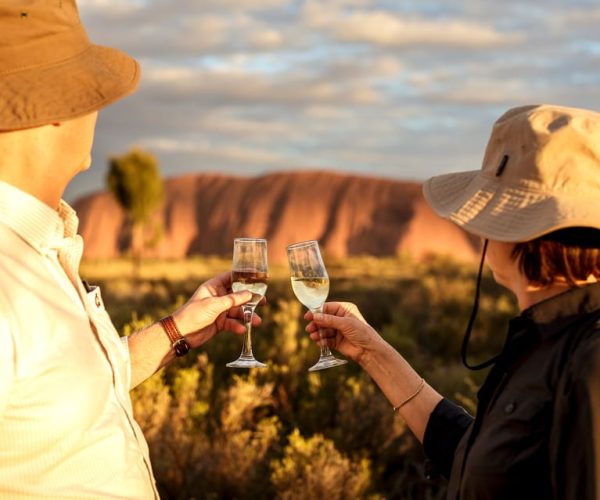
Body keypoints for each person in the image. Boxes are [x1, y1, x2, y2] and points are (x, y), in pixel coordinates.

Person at [0, 2, 258, 498]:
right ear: (54, 109)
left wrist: (176, 330)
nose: (98, 109)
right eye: (89, 91)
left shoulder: (40, 245)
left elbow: (77, 391)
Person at [306, 104, 600, 499]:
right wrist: (372, 352)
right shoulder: (546, 338)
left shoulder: (590, 361)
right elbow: (480, 459)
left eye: (491, 210)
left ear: (522, 233)